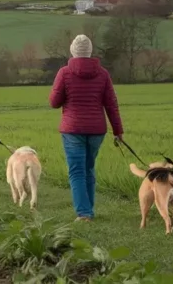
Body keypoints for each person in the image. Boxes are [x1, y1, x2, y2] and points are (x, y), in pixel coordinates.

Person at [49, 34, 124, 221]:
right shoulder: (103, 74)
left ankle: (84, 213)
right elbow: (111, 104)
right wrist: (118, 131)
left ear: (73, 51)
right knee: (88, 168)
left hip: (72, 128)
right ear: (90, 52)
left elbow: (54, 103)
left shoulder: (64, 73)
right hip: (96, 129)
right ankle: (88, 209)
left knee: (76, 170)